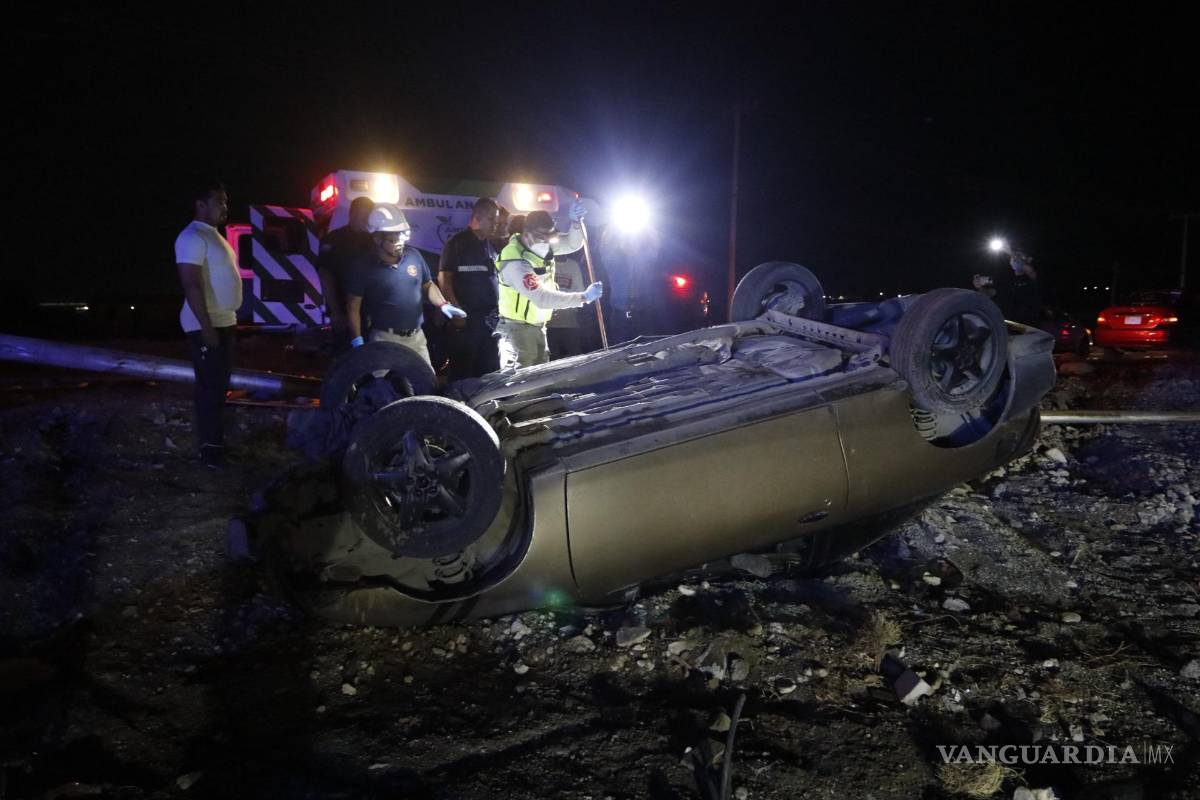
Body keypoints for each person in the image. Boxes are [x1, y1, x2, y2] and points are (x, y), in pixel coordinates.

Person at [344, 203, 466, 367]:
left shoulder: (413, 255)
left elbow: (427, 285)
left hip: (416, 337)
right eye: (393, 239)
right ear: (377, 239)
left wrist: (443, 305)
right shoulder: (364, 266)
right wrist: (357, 340)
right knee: (383, 386)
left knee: (426, 384)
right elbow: (353, 307)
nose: (400, 242)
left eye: (403, 235)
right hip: (384, 338)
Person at [175, 179, 241, 467]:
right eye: (218, 201)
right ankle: (210, 451)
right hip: (208, 324)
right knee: (210, 389)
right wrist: (206, 327)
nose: (224, 206)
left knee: (219, 386)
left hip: (223, 321)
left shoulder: (215, 235)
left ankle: (216, 445)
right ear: (200, 205)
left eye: (225, 201)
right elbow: (191, 284)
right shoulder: (191, 237)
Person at [496, 205, 603, 368]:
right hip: (516, 331)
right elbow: (542, 298)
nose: (547, 243)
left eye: (550, 237)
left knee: (539, 384)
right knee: (520, 387)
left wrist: (575, 223)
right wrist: (584, 297)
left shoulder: (542, 244)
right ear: (527, 234)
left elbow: (573, 244)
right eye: (542, 238)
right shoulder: (514, 259)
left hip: (538, 328)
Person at [438, 198, 502, 378]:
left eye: (497, 221)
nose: (495, 225)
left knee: (490, 369)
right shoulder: (457, 243)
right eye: (492, 220)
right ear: (477, 217)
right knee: (465, 370)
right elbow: (444, 278)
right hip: (467, 321)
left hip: (489, 321)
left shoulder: (490, 246)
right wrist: (457, 311)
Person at [316, 196, 375, 354]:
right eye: (364, 214)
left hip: (369, 312)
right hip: (343, 310)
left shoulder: (372, 240)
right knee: (345, 358)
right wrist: (336, 311)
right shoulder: (335, 239)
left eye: (369, 215)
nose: (367, 219)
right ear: (353, 214)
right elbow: (325, 275)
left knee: (368, 358)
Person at [977, 248, 1042, 326]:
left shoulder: (1033, 278)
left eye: (1019, 255)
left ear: (1029, 259)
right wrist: (979, 286)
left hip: (1027, 328)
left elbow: (1030, 271)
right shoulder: (1004, 278)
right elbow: (989, 294)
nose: (1014, 258)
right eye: (1014, 256)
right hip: (1005, 326)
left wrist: (1008, 250)